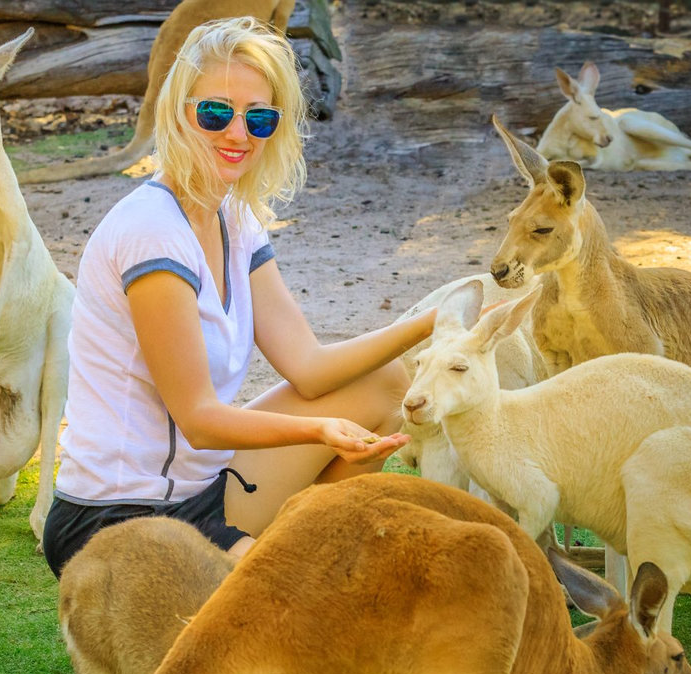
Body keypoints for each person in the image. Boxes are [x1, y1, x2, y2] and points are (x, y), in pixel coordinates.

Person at [43, 16, 428, 574]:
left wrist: (432, 323)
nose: (238, 134)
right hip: (120, 518)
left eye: (259, 117)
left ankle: (320, 562)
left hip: (204, 488)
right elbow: (198, 418)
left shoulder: (235, 216)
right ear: (179, 113)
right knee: (287, 616)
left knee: (386, 383)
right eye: (217, 112)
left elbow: (311, 369)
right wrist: (319, 431)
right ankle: (297, 574)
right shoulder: (154, 232)